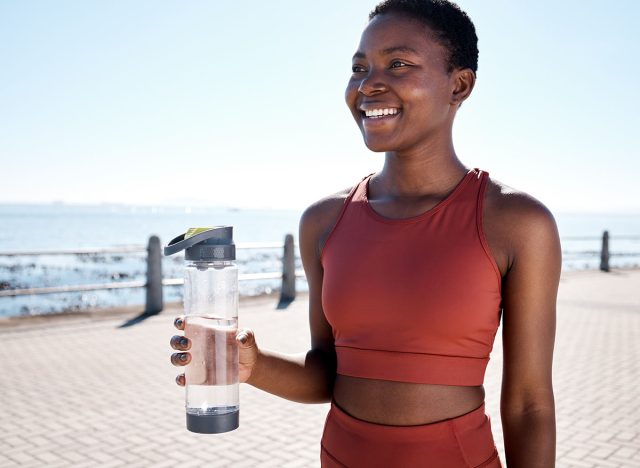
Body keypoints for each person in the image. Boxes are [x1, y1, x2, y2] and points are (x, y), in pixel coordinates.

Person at [171, 0, 561, 466]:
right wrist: (253, 367)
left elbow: (530, 404)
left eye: (398, 64)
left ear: (459, 85)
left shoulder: (516, 223)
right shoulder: (324, 220)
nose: (368, 83)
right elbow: (327, 373)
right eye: (359, 67)